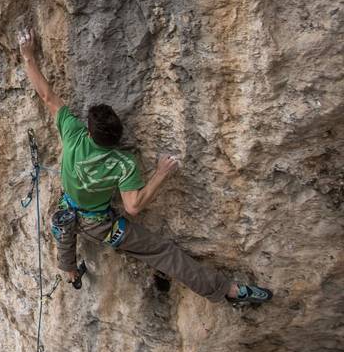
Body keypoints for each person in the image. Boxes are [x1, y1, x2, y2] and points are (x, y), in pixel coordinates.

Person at [17, 28, 272, 306]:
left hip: (67, 209)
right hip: (101, 225)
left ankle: (70, 272)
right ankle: (230, 291)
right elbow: (134, 206)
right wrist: (161, 173)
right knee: (163, 251)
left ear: (89, 131)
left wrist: (28, 56)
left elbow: (47, 96)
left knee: (64, 230)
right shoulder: (123, 163)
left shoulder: (73, 134)